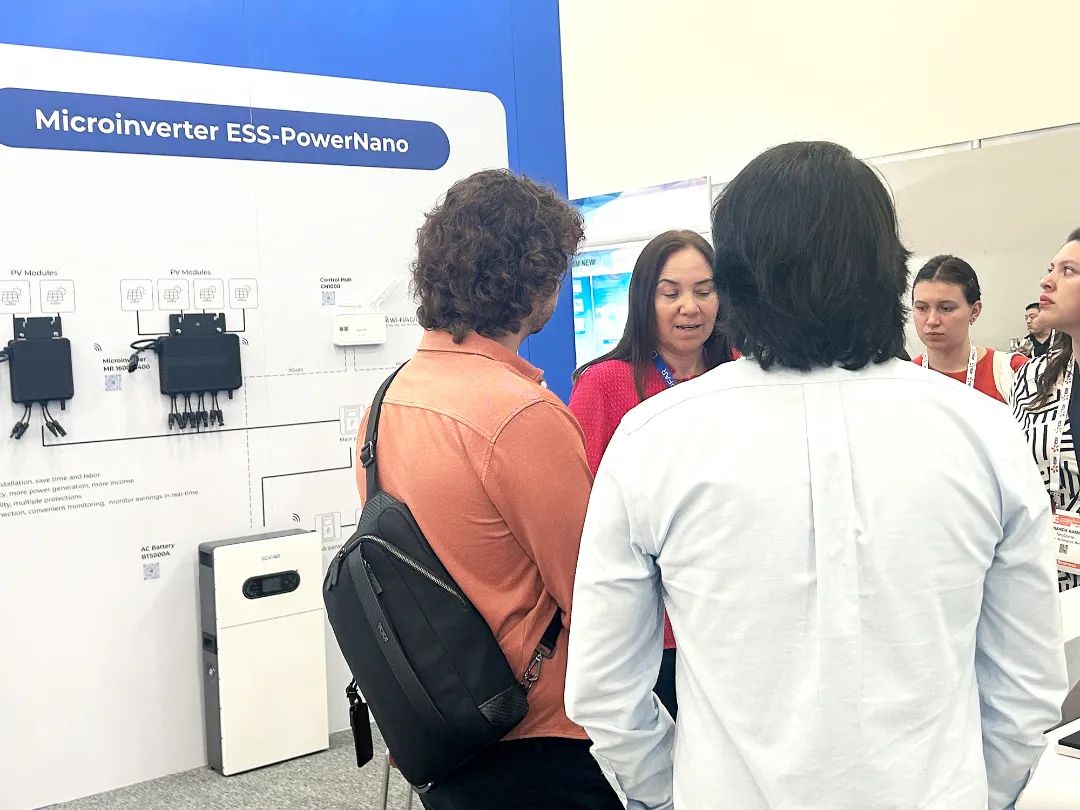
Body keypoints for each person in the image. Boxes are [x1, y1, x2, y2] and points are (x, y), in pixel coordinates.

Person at [564, 142, 1067, 810]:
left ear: (734, 278)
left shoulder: (656, 438)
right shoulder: (983, 432)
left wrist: (675, 792)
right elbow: (1027, 684)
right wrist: (973, 790)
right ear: (888, 268)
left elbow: (605, 691)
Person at [357, 169, 621, 810]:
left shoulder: (388, 400)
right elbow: (592, 594)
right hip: (534, 736)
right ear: (534, 280)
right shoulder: (520, 415)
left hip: (438, 720)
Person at [567, 229, 733, 719]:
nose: (690, 307)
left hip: (732, 611)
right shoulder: (603, 383)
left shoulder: (742, 374)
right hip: (652, 623)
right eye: (670, 293)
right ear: (644, 299)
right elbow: (585, 509)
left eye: (704, 291)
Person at [1013, 227, 1080, 592]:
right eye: (1051, 268)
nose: (1047, 281)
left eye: (1068, 271)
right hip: (1053, 582)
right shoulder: (1033, 378)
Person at [910, 255, 1026, 403]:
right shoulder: (902, 378)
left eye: (946, 308)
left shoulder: (1015, 372)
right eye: (922, 308)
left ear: (974, 311)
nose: (932, 320)